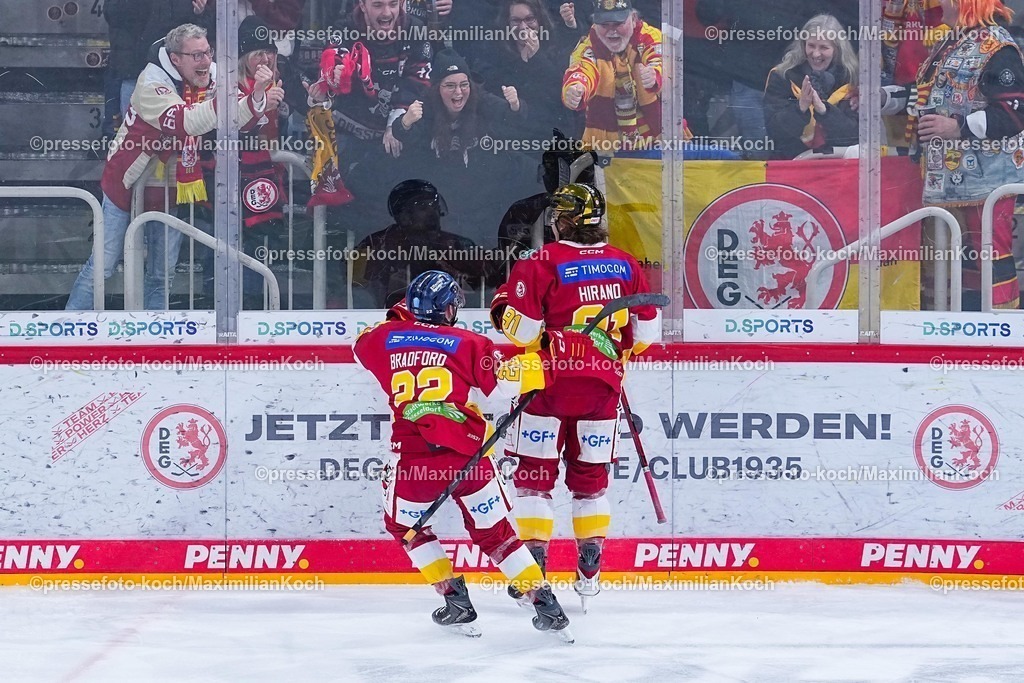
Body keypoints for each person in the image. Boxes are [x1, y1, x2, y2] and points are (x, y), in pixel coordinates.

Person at [353, 270, 583, 638]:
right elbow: (509, 379)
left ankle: (454, 600)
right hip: (469, 457)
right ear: (447, 309)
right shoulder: (469, 343)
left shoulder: (381, 339)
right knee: (497, 535)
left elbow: (359, 344)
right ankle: (545, 605)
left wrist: (401, 321)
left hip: (414, 462)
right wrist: (547, 360)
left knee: (406, 528)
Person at [489, 182, 661, 608]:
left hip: (546, 386)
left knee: (534, 480)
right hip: (602, 391)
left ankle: (535, 564)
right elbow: (648, 334)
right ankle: (590, 562)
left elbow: (525, 331)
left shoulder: (542, 261)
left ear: (559, 220)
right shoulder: (624, 263)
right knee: (589, 484)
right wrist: (605, 359)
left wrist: (501, 308)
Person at [66, 23, 271, 310]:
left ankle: (154, 341)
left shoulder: (210, 75)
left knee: (162, 275)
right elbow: (187, 122)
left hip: (169, 186)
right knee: (104, 265)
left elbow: (237, 116)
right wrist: (234, 103)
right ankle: (67, 326)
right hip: (126, 183)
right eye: (197, 55)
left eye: (208, 52)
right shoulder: (152, 81)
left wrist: (257, 97)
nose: (206, 61)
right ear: (175, 58)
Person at [882, 0, 1024, 309]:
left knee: (991, 253)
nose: (935, 5)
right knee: (944, 256)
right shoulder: (951, 40)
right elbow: (925, 95)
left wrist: (957, 127)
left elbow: (1016, 112)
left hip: (988, 178)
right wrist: (879, 98)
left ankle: (1003, 329)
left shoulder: (998, 46)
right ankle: (947, 323)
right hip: (945, 178)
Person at [391, 49, 537, 244]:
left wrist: (515, 105)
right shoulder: (426, 105)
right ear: (437, 89)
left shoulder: (479, 99)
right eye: (450, 86)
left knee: (530, 170)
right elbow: (405, 134)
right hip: (444, 193)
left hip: (480, 190)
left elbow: (508, 115)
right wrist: (405, 122)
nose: (458, 92)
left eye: (463, 85)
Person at [350, 179, 486, 307]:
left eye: (434, 205)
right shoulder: (375, 244)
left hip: (446, 319)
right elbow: (355, 286)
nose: (432, 211)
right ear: (403, 215)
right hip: (392, 319)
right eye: (422, 207)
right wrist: (390, 283)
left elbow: (480, 288)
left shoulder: (458, 245)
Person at [474, 0, 583, 142]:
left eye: (529, 19)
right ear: (507, 23)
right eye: (516, 21)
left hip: (553, 134)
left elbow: (560, 91)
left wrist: (537, 58)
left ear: (539, 20)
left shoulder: (556, 46)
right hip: (514, 137)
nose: (523, 27)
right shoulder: (495, 52)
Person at [562, 0, 663, 151]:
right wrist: (575, 88)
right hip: (610, 148)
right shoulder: (588, 46)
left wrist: (655, 74)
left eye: (618, 23)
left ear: (634, 19)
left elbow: (661, 60)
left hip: (660, 141)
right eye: (604, 25)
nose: (611, 31)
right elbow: (582, 69)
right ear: (595, 25)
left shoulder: (649, 36)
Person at [237, 16, 288, 309]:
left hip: (264, 183)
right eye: (257, 53)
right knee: (226, 252)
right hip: (231, 183)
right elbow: (230, 130)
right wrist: (259, 107)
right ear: (244, 57)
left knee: (258, 252)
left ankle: (255, 311)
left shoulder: (281, 81)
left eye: (270, 51)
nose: (265, 58)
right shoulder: (228, 85)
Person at [764, 14, 859, 159]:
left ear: (837, 49)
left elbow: (854, 135)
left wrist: (824, 111)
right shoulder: (782, 75)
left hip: (839, 164)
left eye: (824, 48)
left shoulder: (852, 79)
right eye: (811, 45)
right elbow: (775, 133)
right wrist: (800, 108)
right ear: (803, 45)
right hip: (791, 163)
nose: (816, 54)